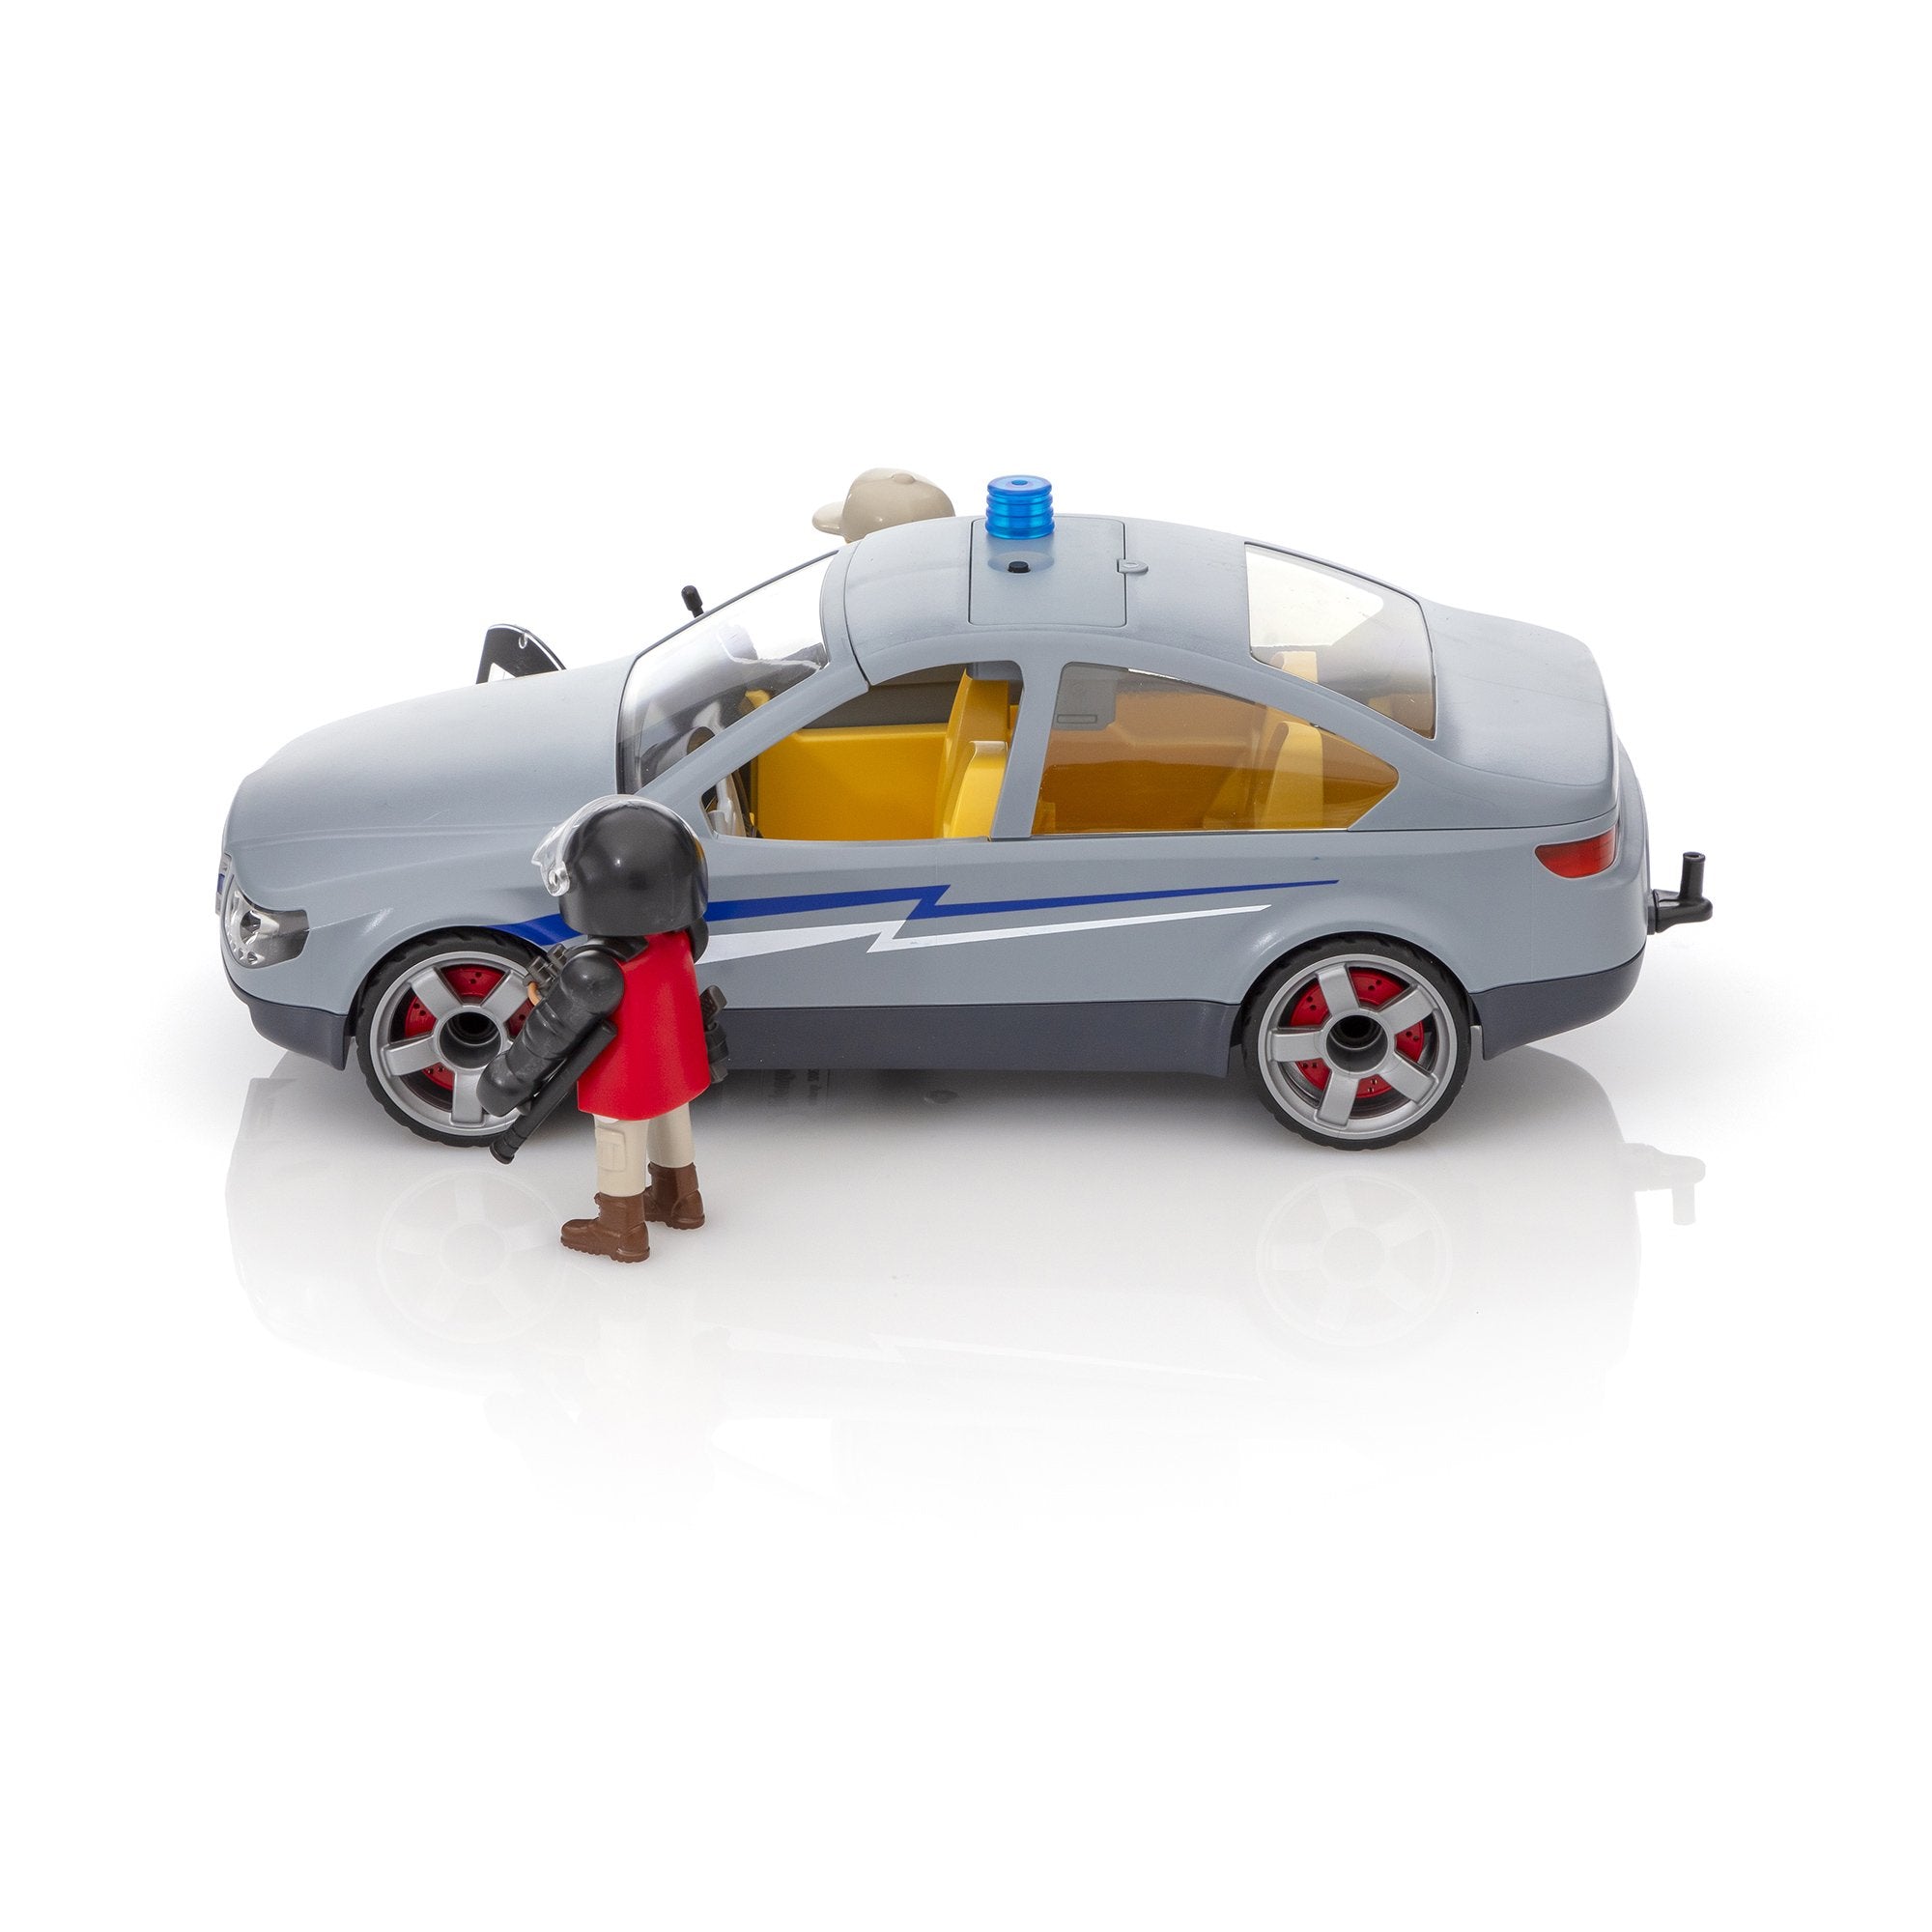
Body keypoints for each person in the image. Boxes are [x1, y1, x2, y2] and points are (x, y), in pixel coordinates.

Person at [478, 797, 721, 1263]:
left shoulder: (595, 971)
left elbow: (545, 1040)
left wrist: (503, 1081)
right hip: (677, 1061)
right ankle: (681, 1200)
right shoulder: (683, 936)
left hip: (624, 1077)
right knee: (672, 1119)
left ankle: (620, 1228)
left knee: (619, 1138)